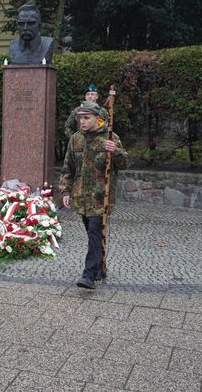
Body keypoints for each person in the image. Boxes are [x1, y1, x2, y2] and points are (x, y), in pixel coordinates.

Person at [59, 101, 129, 289]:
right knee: (93, 235)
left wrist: (115, 152)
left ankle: (88, 275)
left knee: (94, 234)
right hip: (81, 197)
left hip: (101, 198)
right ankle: (99, 268)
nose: (82, 121)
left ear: (97, 119)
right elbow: (68, 167)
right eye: (80, 117)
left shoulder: (110, 137)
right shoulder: (76, 139)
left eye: (86, 118)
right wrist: (65, 190)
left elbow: (124, 164)